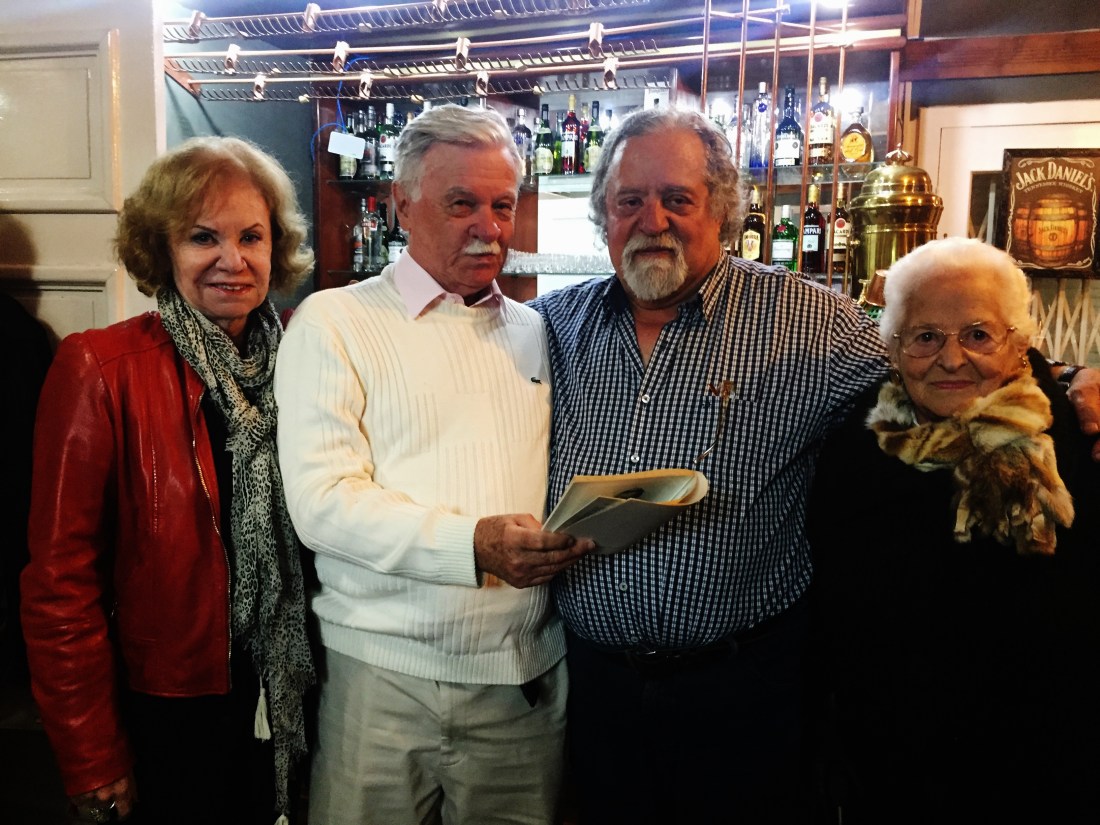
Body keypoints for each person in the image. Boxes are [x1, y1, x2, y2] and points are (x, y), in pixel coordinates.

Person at [529, 107, 1100, 824]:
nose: (654, 220)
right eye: (629, 200)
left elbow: (939, 360)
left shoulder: (808, 321)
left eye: (678, 198)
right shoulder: (555, 324)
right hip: (594, 687)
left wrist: (1071, 378)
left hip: (742, 692)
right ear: (603, 214)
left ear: (722, 210)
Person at [274, 104, 591, 825]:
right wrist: (472, 544)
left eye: (502, 205)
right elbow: (323, 503)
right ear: (402, 204)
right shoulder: (335, 321)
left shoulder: (539, 331)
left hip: (524, 681)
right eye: (461, 204)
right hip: (381, 678)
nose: (489, 228)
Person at [21, 136, 316, 825]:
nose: (232, 259)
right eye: (202, 237)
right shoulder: (100, 367)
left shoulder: (310, 354)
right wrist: (92, 753)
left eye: (251, 236)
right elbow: (59, 583)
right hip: (169, 709)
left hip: (299, 686)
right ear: (162, 248)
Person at [806, 237, 1100, 824]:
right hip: (893, 773)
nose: (951, 358)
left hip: (1051, 769)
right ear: (892, 348)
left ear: (1019, 342)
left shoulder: (1078, 436)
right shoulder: (855, 446)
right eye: (925, 336)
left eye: (978, 334)